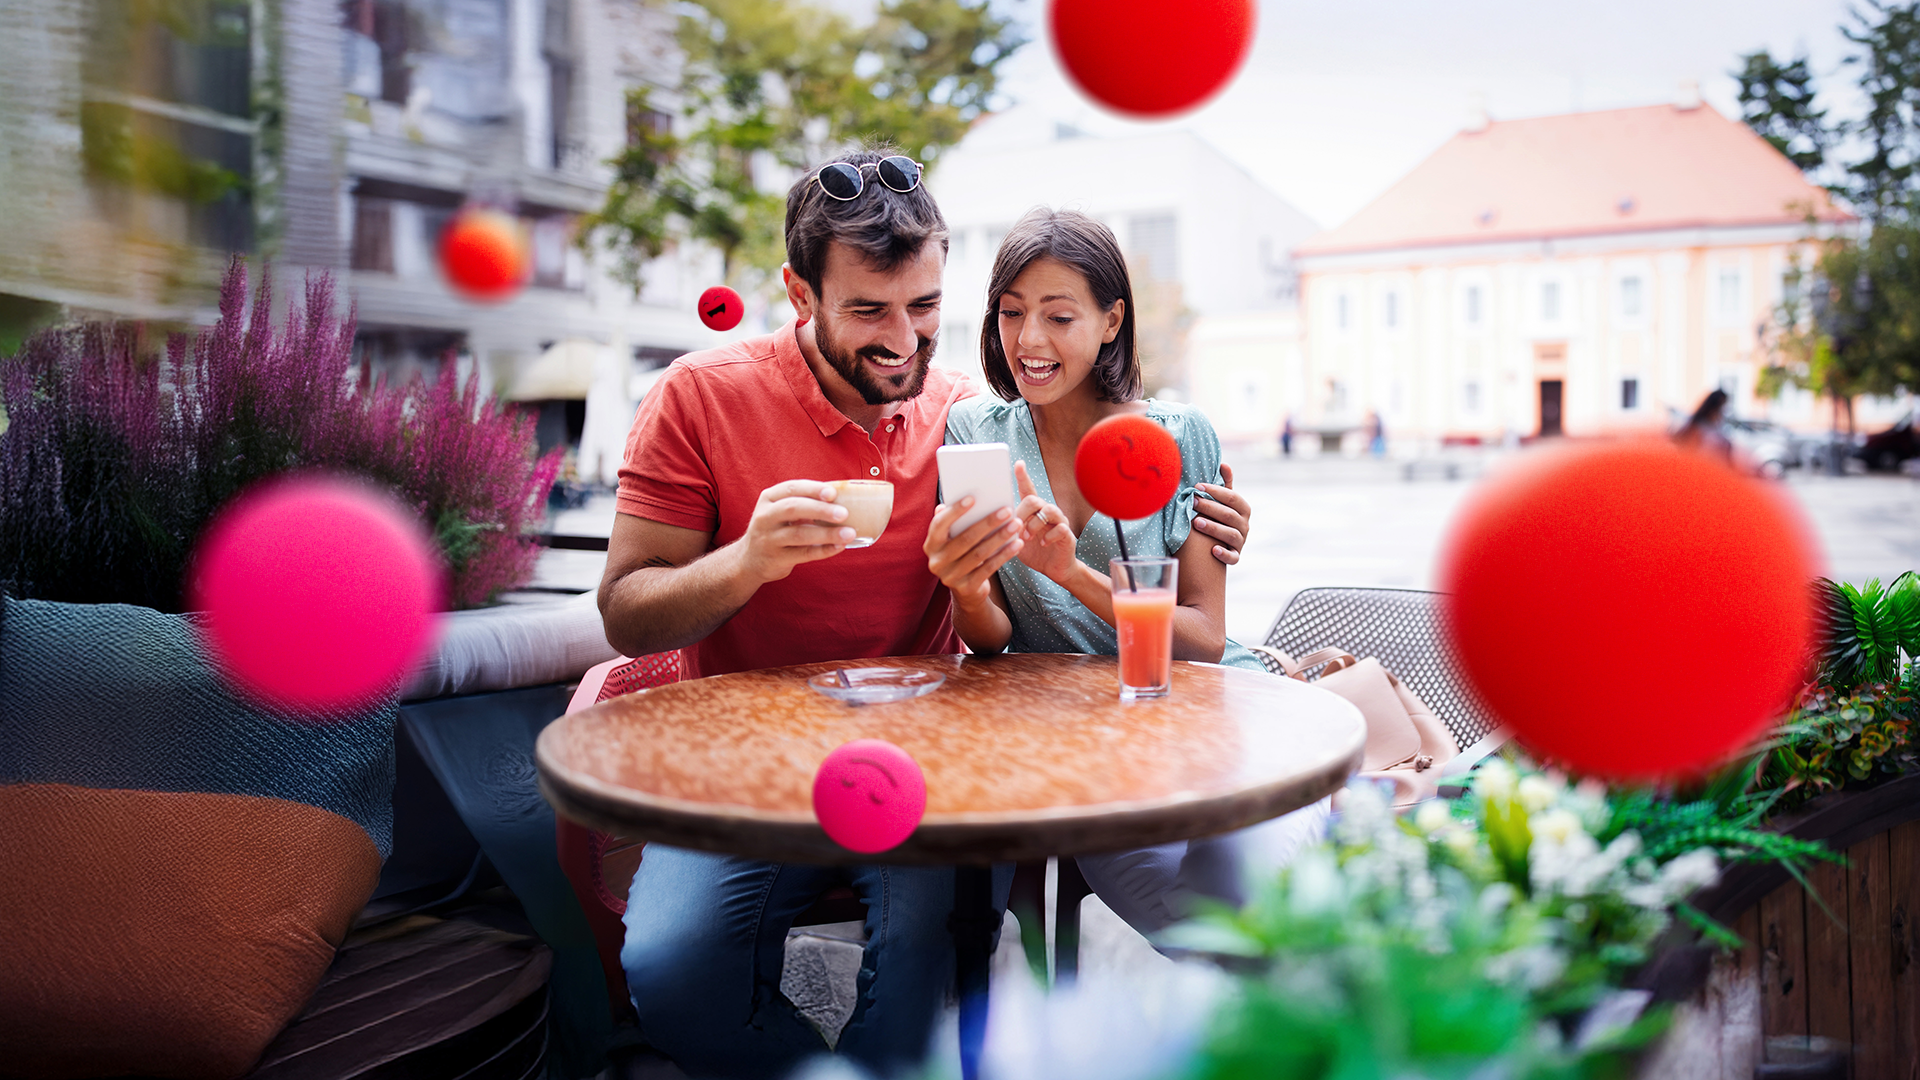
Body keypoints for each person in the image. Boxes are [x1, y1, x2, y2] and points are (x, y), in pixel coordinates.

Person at [600, 152, 1253, 1078]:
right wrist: (747, 560)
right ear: (799, 293)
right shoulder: (698, 397)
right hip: (742, 759)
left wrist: (1206, 512)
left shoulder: (964, 420)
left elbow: (1093, 478)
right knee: (672, 976)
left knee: (917, 982)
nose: (904, 341)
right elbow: (627, 613)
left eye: (926, 307)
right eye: (869, 311)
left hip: (924, 759)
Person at [923, 208, 1325, 939]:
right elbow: (990, 642)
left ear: (1111, 321)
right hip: (1085, 747)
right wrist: (966, 584)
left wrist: (1073, 573)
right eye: (1011, 314)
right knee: (1201, 923)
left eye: (1058, 316)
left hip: (1213, 719)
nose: (1029, 341)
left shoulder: (1177, 436)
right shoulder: (975, 432)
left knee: (1259, 900)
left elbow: (1202, 639)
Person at [1679, 388, 1733, 461]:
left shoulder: (1698, 427)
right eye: (1723, 408)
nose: (1724, 413)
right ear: (1714, 409)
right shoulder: (1701, 430)